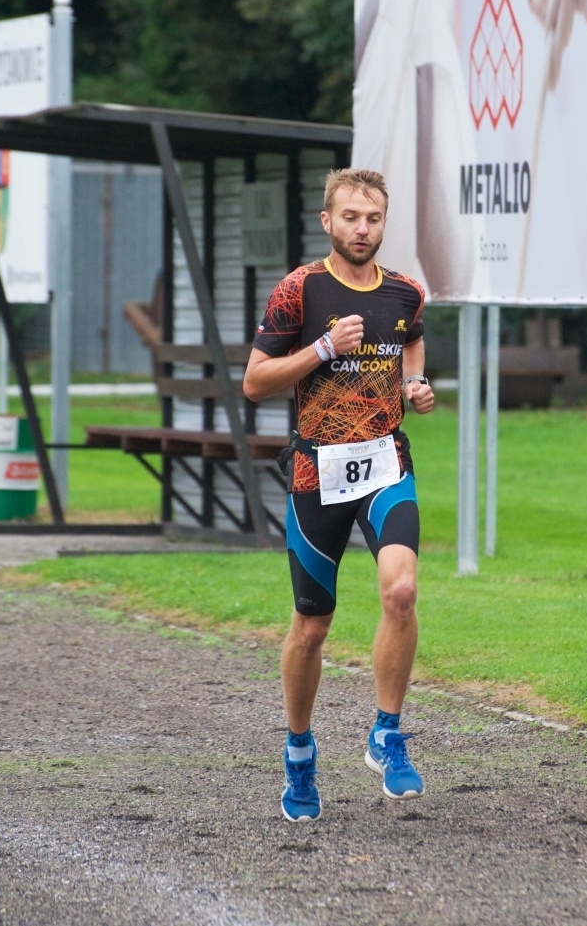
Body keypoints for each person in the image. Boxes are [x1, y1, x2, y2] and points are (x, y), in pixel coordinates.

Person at [243, 168, 434, 823]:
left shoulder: (405, 292)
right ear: (328, 221)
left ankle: (387, 731)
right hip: (316, 474)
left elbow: (411, 342)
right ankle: (299, 752)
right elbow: (255, 381)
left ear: (384, 222)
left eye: (373, 218)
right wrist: (323, 347)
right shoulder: (300, 290)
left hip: (385, 463)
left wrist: (417, 386)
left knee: (401, 591)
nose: (362, 228)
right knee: (311, 627)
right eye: (350, 216)